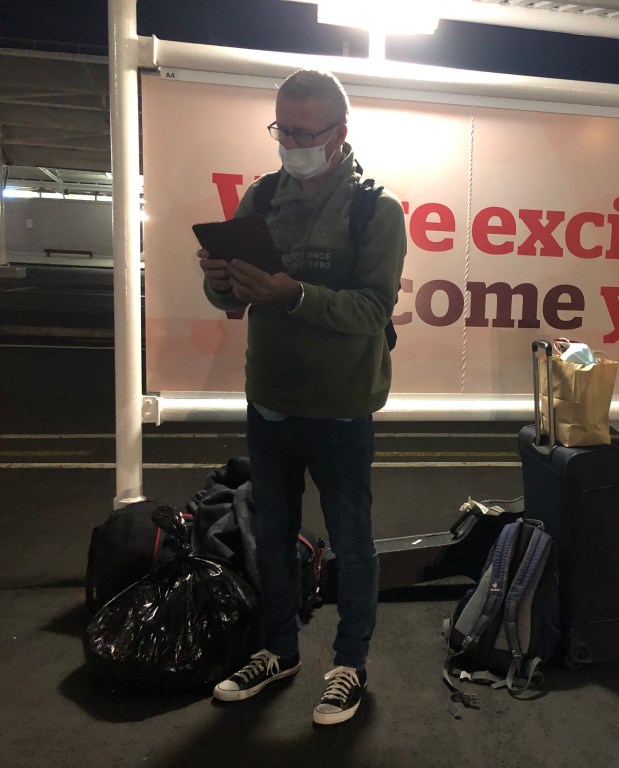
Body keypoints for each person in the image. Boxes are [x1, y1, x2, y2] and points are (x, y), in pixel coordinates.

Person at [197, 69, 406, 725]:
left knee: (353, 541)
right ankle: (278, 651)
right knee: (272, 534)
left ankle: (349, 665)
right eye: (281, 130)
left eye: (304, 133)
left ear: (339, 133)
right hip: (269, 400)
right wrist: (219, 278)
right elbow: (226, 299)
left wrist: (293, 294)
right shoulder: (261, 196)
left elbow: (372, 310)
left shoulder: (375, 210)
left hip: (341, 406)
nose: (290, 144)